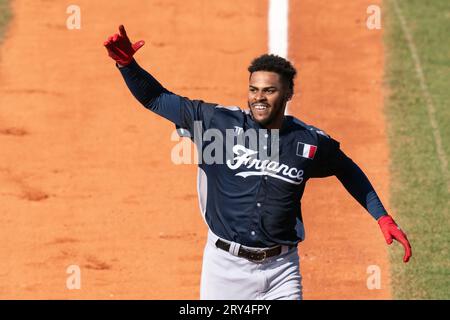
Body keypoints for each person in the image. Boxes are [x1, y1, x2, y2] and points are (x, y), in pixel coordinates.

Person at [104, 25, 412, 300]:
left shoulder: (309, 142)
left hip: (282, 269)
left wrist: (381, 217)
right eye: (253, 90)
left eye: (269, 90)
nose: (259, 98)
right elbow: (156, 99)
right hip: (225, 270)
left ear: (288, 92)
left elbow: (345, 168)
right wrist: (127, 65)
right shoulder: (217, 124)